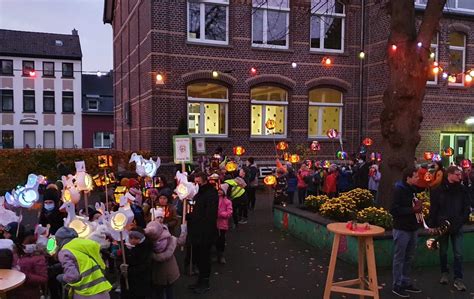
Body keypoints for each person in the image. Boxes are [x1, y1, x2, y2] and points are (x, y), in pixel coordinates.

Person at [428, 166, 471, 291]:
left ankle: (458, 278)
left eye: (460, 174)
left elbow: (467, 207)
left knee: (458, 253)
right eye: (457, 174)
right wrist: (432, 224)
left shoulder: (462, 190)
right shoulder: (438, 190)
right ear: (449, 175)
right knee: (443, 251)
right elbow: (434, 209)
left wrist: (461, 221)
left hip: (457, 225)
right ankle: (444, 273)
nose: (460, 176)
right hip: (443, 225)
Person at [389, 166, 422, 298]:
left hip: (412, 227)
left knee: (409, 257)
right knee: (400, 257)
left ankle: (405, 281)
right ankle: (397, 284)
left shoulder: (412, 190)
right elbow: (394, 210)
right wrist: (412, 210)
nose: (418, 178)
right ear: (408, 178)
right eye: (415, 176)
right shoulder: (399, 190)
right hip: (401, 228)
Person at [55, 227, 112, 298]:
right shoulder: (88, 246)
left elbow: (72, 276)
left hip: (86, 294)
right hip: (102, 292)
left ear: (59, 240)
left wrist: (62, 277)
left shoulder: (65, 251)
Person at [187, 172, 218, 294]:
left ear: (204, 181)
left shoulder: (210, 194)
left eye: (198, 182)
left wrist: (196, 218)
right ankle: (199, 281)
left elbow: (209, 215)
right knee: (198, 257)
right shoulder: (199, 193)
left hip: (205, 232)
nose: (197, 184)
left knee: (205, 258)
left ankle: (205, 282)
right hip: (197, 231)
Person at [146, 221, 187, 299]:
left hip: (157, 273)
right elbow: (181, 241)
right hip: (170, 272)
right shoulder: (171, 239)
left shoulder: (149, 244)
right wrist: (184, 230)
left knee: (159, 292)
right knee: (170, 291)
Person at [8, 231, 47, 298]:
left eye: (32, 243)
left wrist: (25, 275)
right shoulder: (13, 255)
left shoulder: (38, 258)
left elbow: (43, 279)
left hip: (29, 294)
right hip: (12, 293)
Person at [120, 227, 153, 299]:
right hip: (127, 281)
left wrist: (128, 271)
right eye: (131, 238)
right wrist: (121, 267)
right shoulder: (125, 247)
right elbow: (120, 260)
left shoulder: (145, 248)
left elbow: (144, 265)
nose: (133, 240)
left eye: (136, 238)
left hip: (139, 282)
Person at [216, 184, 233, 264]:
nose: (219, 191)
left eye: (221, 190)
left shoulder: (227, 202)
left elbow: (229, 213)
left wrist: (221, 214)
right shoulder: (215, 199)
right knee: (215, 239)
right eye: (218, 189)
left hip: (222, 223)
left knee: (222, 239)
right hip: (215, 222)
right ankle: (217, 254)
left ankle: (221, 254)